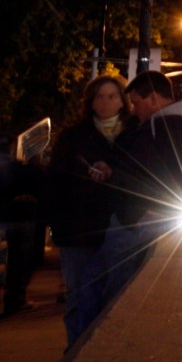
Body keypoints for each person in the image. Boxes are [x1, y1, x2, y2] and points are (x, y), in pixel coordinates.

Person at [75, 70, 182, 335]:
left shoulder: (165, 126)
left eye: (137, 102)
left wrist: (114, 177)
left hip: (138, 218)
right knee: (114, 282)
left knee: (99, 282)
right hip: (147, 216)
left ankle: (95, 344)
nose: (134, 110)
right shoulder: (178, 124)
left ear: (154, 99)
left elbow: (148, 174)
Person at [45, 75, 132, 345]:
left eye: (112, 96)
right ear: (90, 102)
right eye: (99, 96)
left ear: (123, 101)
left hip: (122, 230)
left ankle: (102, 357)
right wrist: (58, 227)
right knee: (78, 295)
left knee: (115, 297)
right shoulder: (73, 137)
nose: (105, 102)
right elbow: (55, 182)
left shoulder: (135, 134)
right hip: (79, 231)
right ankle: (74, 355)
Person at [0, 131, 40, 318]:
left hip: (9, 216)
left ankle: (13, 299)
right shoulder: (18, 165)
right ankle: (15, 300)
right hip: (18, 218)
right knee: (19, 261)